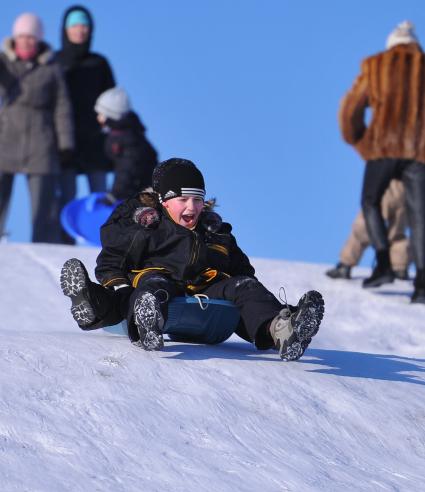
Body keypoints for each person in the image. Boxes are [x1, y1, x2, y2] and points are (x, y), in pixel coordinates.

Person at [60, 158, 325, 361]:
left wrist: (259, 302)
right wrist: (118, 285)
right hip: (157, 285)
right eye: (183, 199)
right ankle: (130, 317)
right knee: (153, 286)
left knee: (245, 286)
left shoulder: (213, 233)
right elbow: (111, 261)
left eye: (198, 200)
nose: (192, 207)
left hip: (206, 293)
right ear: (163, 201)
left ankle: (282, 331)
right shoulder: (148, 229)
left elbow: (244, 271)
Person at [339, 21, 425, 303]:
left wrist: (360, 141)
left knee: (370, 201)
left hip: (384, 149)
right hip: (418, 153)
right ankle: (422, 284)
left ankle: (384, 263)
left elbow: (351, 108)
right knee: (418, 215)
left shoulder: (375, 66)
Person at [0, 12, 74, 243]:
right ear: (15, 37)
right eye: (22, 37)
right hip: (6, 137)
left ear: (39, 39)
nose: (26, 42)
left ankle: (43, 245)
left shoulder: (51, 68)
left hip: (41, 142)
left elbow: (62, 107)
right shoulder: (4, 62)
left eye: (31, 37)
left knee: (43, 203)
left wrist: (66, 144)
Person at [55, 5, 115, 241]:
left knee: (100, 199)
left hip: (95, 142)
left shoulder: (99, 63)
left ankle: (103, 246)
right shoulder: (56, 62)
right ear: (66, 30)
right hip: (66, 142)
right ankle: (62, 247)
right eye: (75, 26)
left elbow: (111, 101)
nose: (80, 31)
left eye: (84, 26)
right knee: (66, 198)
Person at [326, 179, 410, 282]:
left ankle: (345, 265)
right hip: (407, 189)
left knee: (364, 226)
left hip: (385, 184)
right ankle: (399, 268)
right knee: (397, 233)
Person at [94, 87, 158, 203]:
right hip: (135, 189)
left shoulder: (127, 140)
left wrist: (114, 195)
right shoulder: (121, 133)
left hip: (141, 191)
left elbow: (126, 170)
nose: (98, 118)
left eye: (101, 114)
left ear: (111, 115)